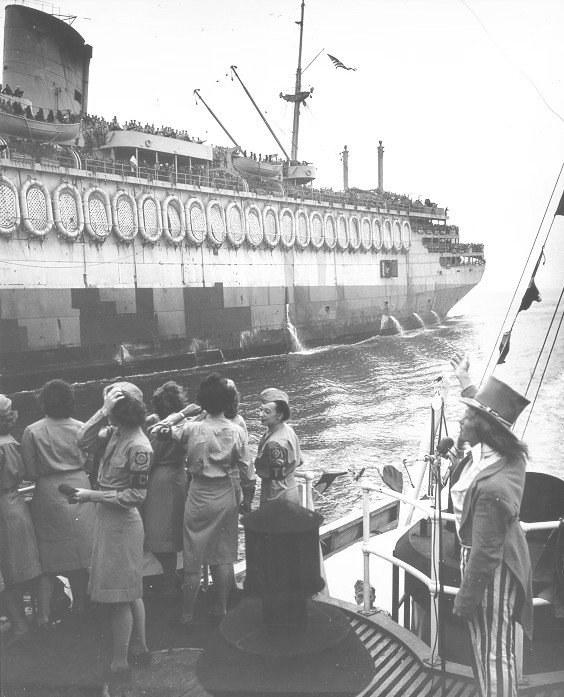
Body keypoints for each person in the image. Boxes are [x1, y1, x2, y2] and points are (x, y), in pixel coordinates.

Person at [449, 353, 532, 697]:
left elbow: (484, 554)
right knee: (488, 648)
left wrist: (464, 601)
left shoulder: (493, 488)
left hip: (492, 569)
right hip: (498, 558)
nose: (462, 419)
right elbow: (488, 411)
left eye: (469, 415)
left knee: (494, 653)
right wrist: (465, 379)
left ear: (484, 426)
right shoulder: (500, 453)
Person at [153, 373, 254, 626]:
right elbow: (248, 475)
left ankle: (187, 615)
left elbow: (156, 430)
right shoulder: (237, 431)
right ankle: (220, 609)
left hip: (198, 493)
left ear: (203, 402)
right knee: (222, 556)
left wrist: (182, 413)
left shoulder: (190, 428)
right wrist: (247, 503)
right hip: (224, 493)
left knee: (192, 558)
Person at [74, 382, 152, 690]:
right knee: (131, 590)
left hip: (122, 524)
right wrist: (103, 411)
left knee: (121, 596)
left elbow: (135, 495)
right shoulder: (116, 434)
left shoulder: (139, 446)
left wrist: (91, 495)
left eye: (109, 408)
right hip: (110, 521)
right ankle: (141, 648)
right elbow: (82, 439)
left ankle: (120, 661)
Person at [21, 380, 94, 624]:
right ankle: (82, 605)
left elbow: (30, 473)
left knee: (50, 553)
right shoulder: (82, 427)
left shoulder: (32, 430)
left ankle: (44, 614)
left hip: (49, 490)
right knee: (82, 550)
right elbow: (90, 461)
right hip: (79, 485)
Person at [0, 395, 43, 640]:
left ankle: (19, 624)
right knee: (25, 567)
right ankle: (39, 616)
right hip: (15, 503)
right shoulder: (11, 440)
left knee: (7, 573)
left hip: (3, 511)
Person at [144, 381, 189, 596]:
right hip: (179, 475)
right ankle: (174, 576)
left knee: (160, 533)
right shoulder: (185, 424)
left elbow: (151, 458)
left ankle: (169, 579)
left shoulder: (159, 430)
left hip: (160, 479)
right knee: (175, 528)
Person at [254, 388, 303, 505]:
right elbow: (300, 460)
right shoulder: (287, 429)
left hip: (279, 497)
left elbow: (278, 485)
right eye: (261, 410)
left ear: (280, 415)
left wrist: (272, 510)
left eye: (267, 412)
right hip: (291, 488)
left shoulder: (274, 443)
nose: (261, 414)